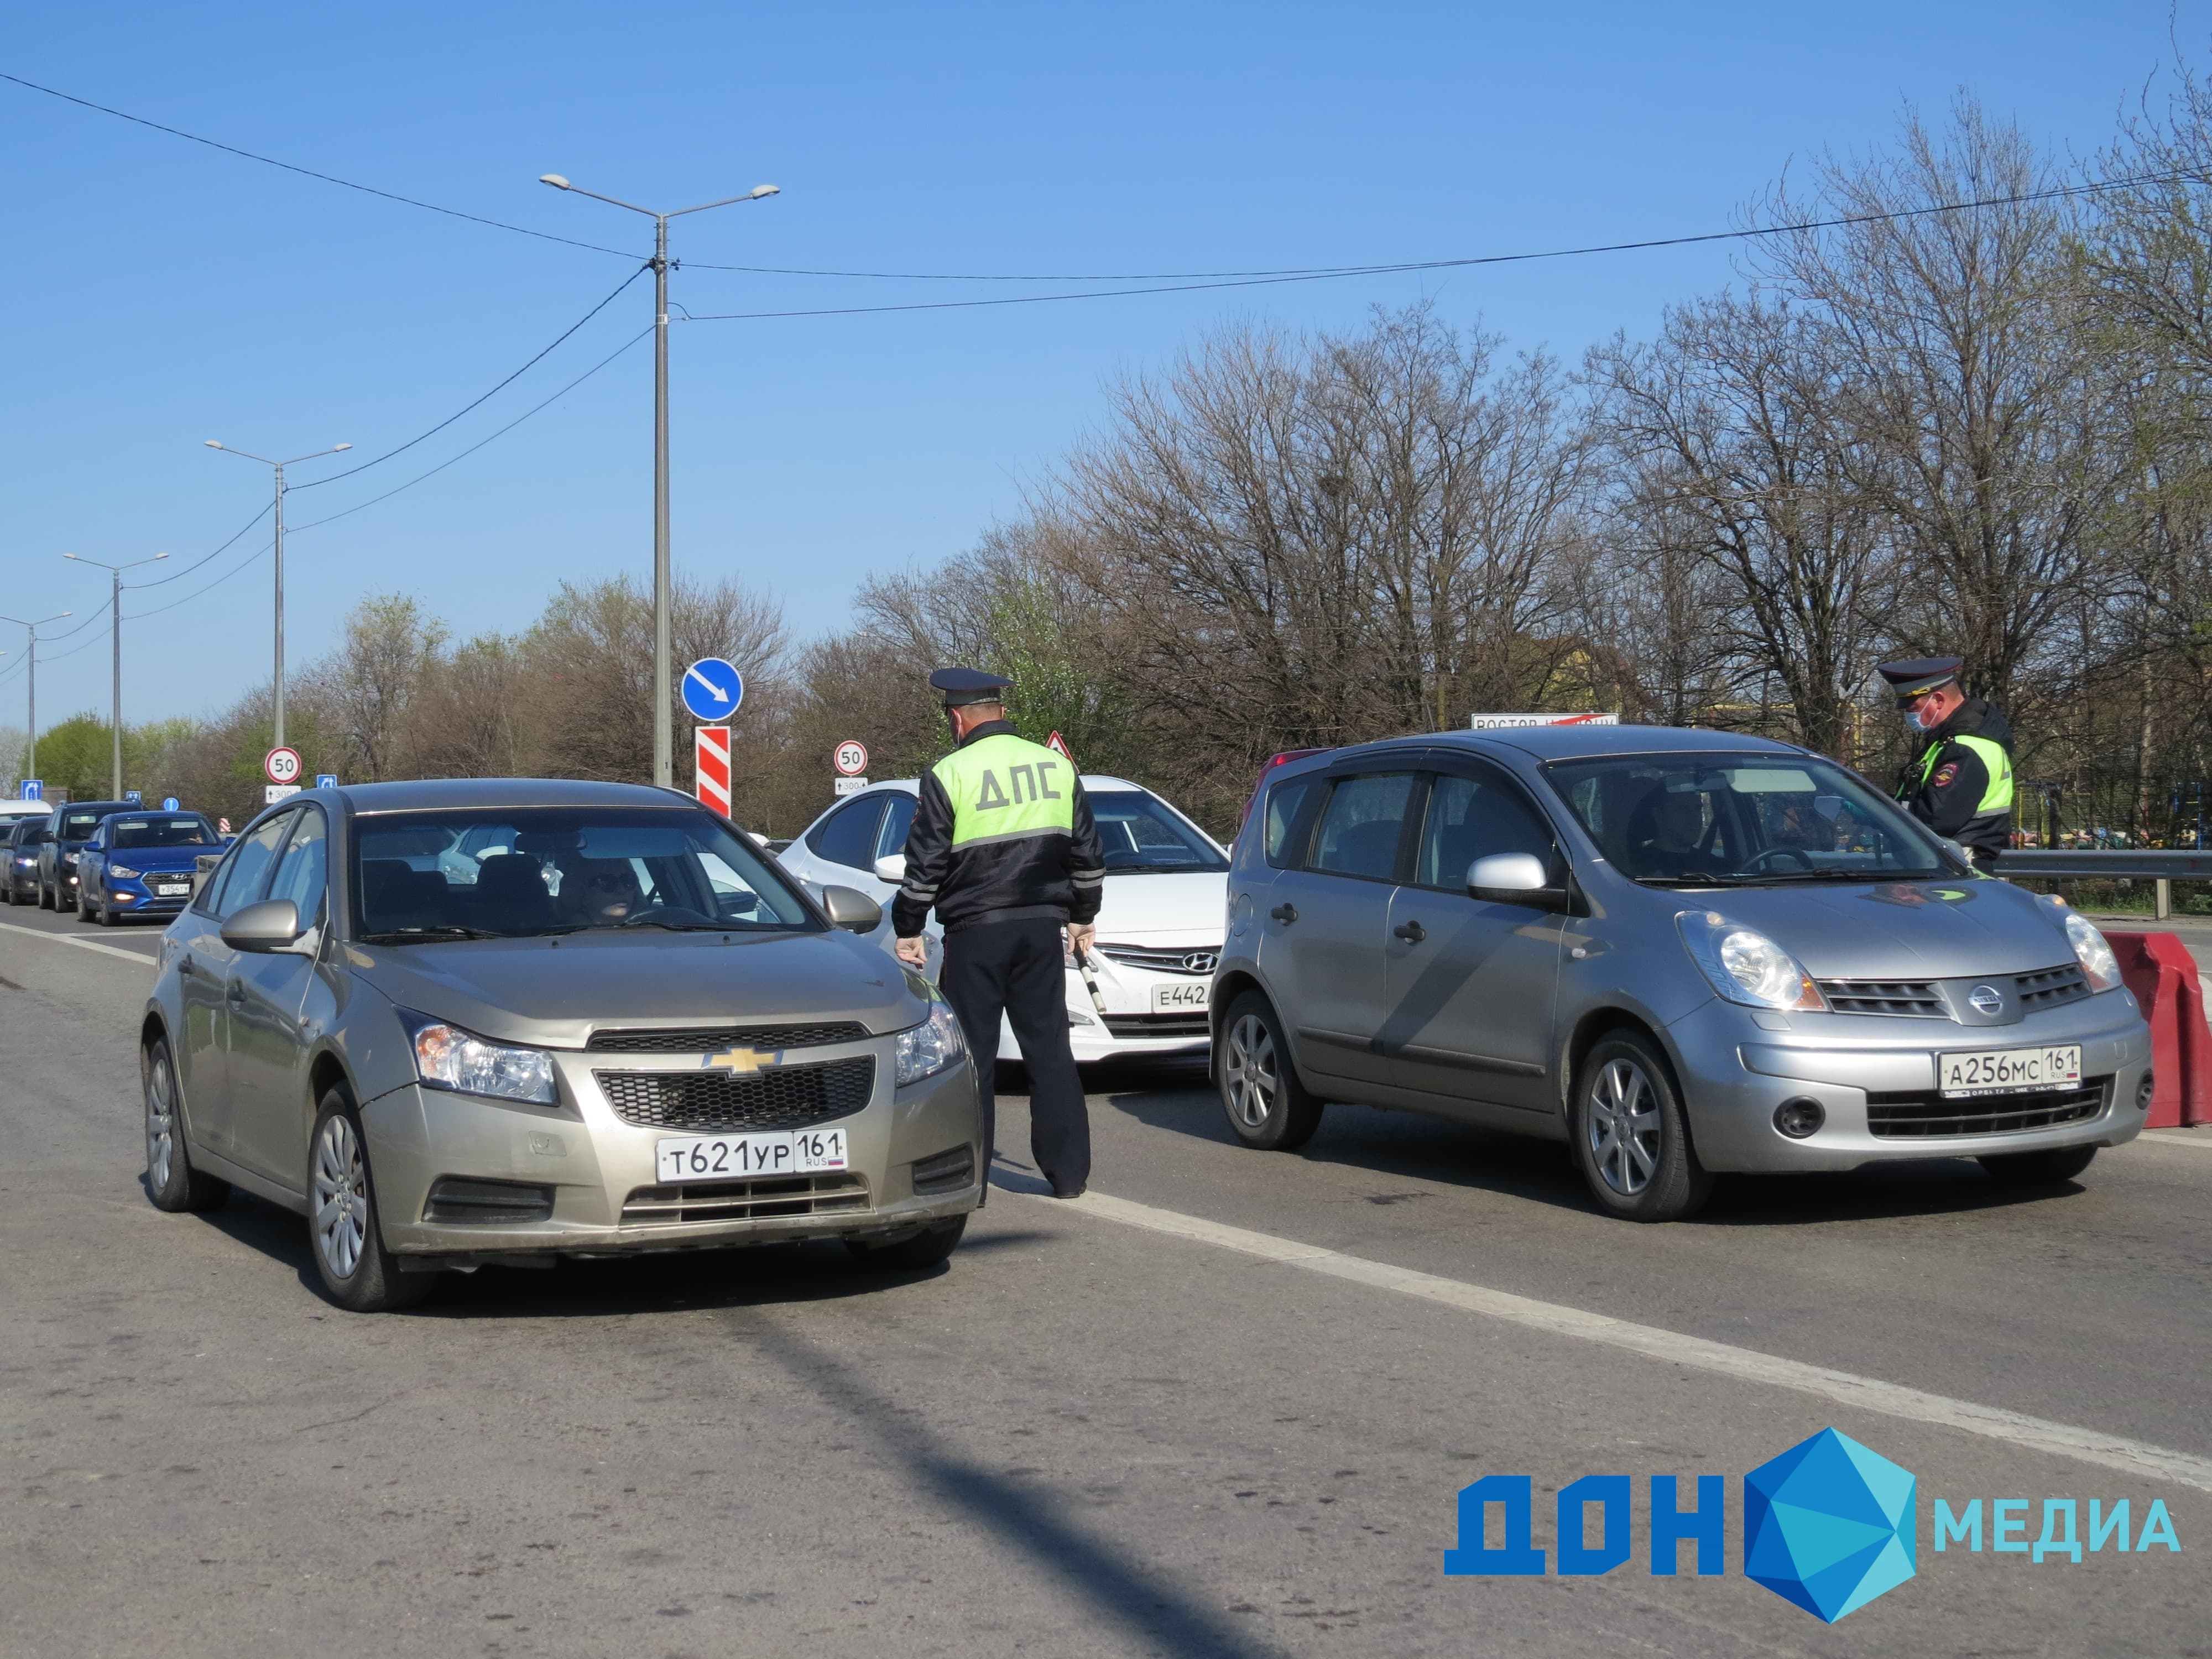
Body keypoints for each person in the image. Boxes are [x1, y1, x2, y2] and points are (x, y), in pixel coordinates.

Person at [891, 669, 1107, 1199]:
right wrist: (1083, 915)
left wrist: (909, 927)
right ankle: (1069, 1175)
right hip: (1041, 929)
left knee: (974, 1059)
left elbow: (925, 864)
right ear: (1002, 712)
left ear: (957, 718)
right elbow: (1088, 855)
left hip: (976, 933)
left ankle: (973, 1177)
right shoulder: (1057, 767)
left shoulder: (948, 772)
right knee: (1050, 1049)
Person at [1877, 656, 2016, 867]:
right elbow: (1916, 801)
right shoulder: (1948, 742)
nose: (1909, 716)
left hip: (1957, 869)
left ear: (1939, 700)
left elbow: (1935, 820)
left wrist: (1874, 812)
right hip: (1947, 865)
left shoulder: (1965, 749)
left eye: (1913, 708)